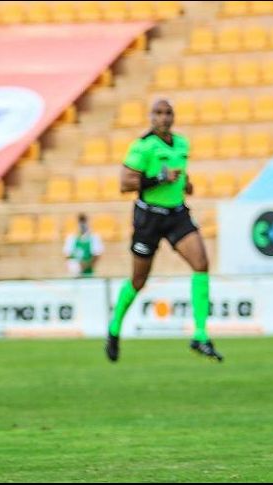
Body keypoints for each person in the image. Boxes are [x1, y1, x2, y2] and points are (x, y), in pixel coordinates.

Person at [105, 99, 223, 363]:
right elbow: (125, 183)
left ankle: (201, 335)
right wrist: (159, 177)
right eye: (158, 113)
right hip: (149, 217)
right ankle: (114, 328)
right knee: (138, 280)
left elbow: (180, 175)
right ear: (151, 117)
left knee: (201, 263)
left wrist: (186, 185)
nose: (164, 117)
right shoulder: (143, 146)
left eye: (168, 113)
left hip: (177, 214)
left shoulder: (182, 144)